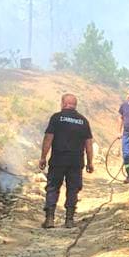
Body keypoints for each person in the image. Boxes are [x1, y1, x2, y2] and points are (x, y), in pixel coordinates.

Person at [38, 94, 94, 229]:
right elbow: (89, 144)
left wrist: (43, 157)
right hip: (76, 161)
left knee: (52, 187)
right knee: (73, 189)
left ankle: (50, 219)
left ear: (63, 103)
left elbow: (48, 138)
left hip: (58, 159)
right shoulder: (83, 121)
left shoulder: (56, 118)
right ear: (75, 104)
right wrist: (90, 162)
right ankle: (69, 219)